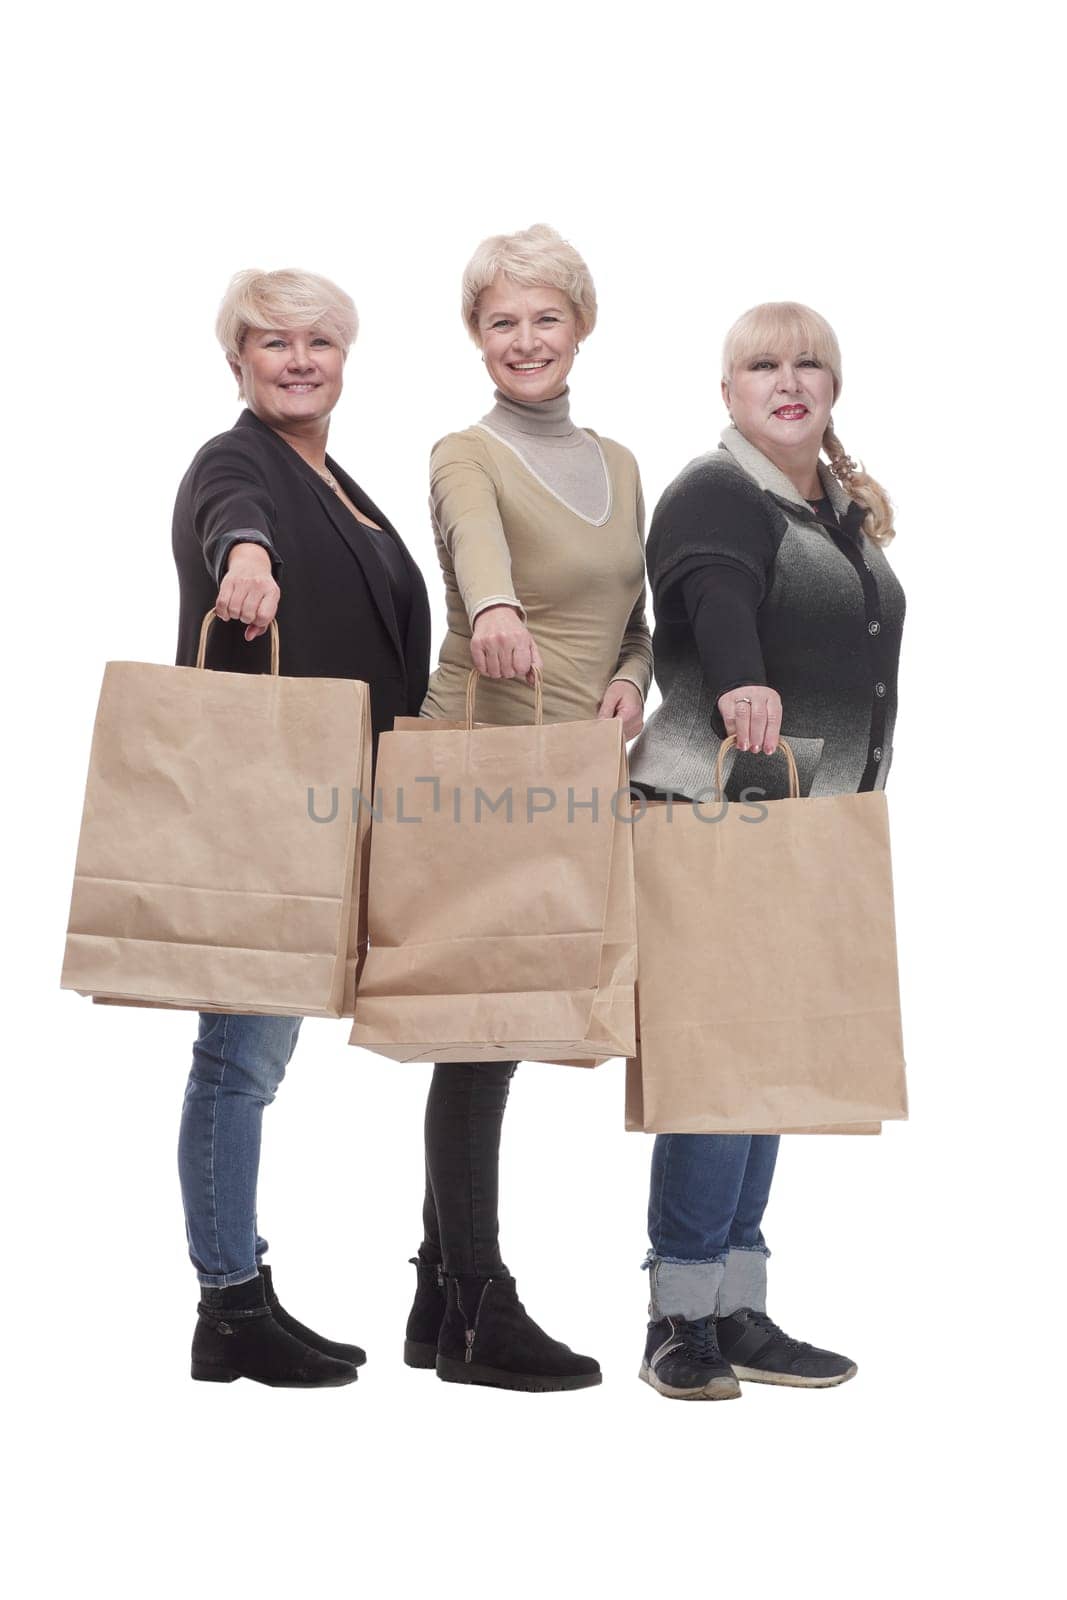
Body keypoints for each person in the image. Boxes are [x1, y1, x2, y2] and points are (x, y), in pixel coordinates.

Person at [628, 301, 905, 1401]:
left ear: (831, 388)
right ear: (727, 389)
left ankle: (735, 1306)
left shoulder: (831, 509)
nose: (785, 379)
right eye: (760, 363)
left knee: (770, 1065)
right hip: (714, 809)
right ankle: (674, 1317)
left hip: (808, 815)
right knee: (717, 1063)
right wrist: (741, 675)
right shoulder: (716, 491)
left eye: (807, 364)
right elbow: (712, 590)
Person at [404, 224, 652, 1391]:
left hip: (574, 764)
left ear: (578, 325)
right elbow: (475, 549)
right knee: (482, 1030)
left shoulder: (620, 462)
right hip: (485, 764)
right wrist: (491, 608)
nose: (523, 340)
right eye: (499, 321)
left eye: (542, 318)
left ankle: (429, 1294)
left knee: (494, 1023)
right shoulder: (466, 451)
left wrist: (627, 680)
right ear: (476, 337)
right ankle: (477, 1306)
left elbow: (636, 618)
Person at [173, 268, 431, 1386]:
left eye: (318, 340)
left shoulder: (343, 482)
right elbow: (238, 523)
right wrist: (246, 563)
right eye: (271, 341)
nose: (296, 359)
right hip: (266, 807)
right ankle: (230, 1303)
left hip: (346, 803)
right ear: (237, 359)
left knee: (255, 1054)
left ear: (344, 358)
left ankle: (238, 1299)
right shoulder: (239, 463)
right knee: (238, 1058)